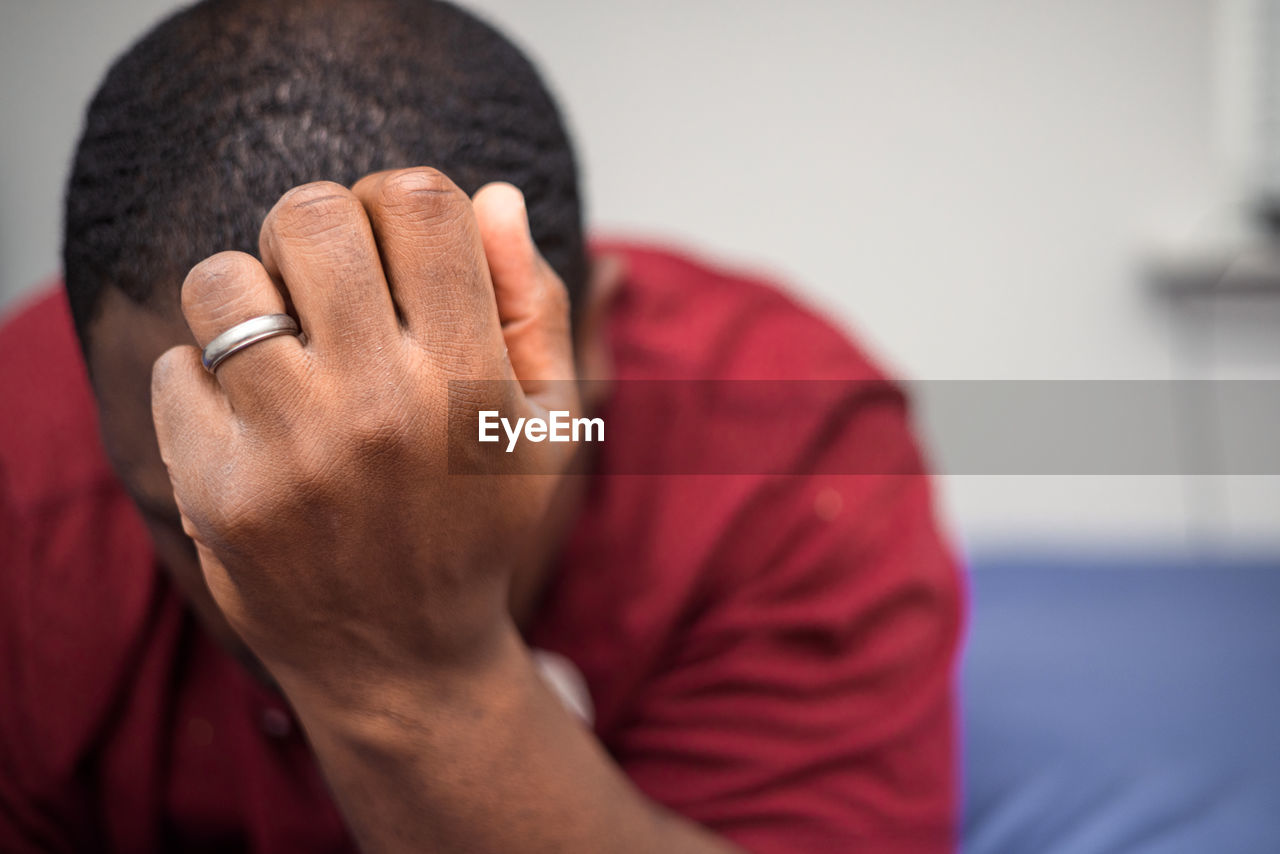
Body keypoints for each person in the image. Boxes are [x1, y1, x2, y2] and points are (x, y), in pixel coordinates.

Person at [0, 1, 963, 851]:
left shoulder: (790, 449)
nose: (294, 560)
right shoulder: (22, 462)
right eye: (199, 517)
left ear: (586, 343)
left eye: (424, 467)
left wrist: (413, 672)